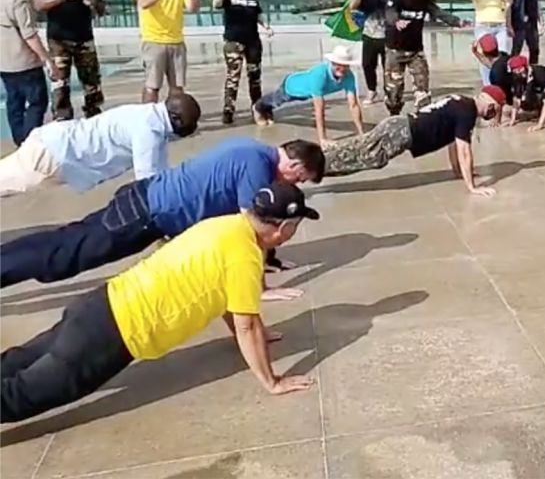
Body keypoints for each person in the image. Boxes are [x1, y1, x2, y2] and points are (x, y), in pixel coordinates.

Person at [0, 182, 318, 424]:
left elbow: (230, 303)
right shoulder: (245, 256)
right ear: (284, 228)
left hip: (100, 303)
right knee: (23, 394)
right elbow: (246, 322)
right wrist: (271, 381)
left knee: (19, 360)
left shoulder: (224, 225)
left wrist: (245, 333)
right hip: (114, 335)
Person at [0, 138, 325, 288]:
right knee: (66, 252)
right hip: (146, 212)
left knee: (68, 244)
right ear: (294, 165)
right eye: (301, 178)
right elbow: (250, 227)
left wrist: (271, 261)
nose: (295, 184)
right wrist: (255, 287)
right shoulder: (258, 165)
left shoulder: (253, 150)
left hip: (145, 204)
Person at [0, 92, 201, 197]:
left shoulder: (151, 116)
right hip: (55, 155)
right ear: (176, 119)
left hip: (55, 145)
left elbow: (161, 171)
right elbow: (147, 181)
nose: (192, 130)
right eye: (190, 124)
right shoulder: (148, 131)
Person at [322, 88, 504, 197]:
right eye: (496, 109)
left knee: (358, 147)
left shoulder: (462, 102)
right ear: (491, 105)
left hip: (398, 124)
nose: (494, 114)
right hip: (401, 133)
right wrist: (472, 187)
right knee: (363, 158)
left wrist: (458, 172)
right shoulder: (468, 113)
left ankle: (317, 157)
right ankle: (317, 167)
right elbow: (464, 150)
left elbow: (453, 144)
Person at [31, 0, 106, 120]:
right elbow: (38, 5)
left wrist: (93, 1)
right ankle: (62, 117)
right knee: (60, 81)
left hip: (84, 37)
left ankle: (93, 113)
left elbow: (102, 10)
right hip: (59, 39)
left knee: (91, 80)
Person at [383, 0, 467, 115]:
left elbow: (438, 13)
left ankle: (422, 118)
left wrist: (457, 21)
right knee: (394, 89)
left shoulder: (423, 1)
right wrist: (396, 21)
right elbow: (390, 13)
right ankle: (394, 114)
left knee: (422, 87)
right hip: (395, 50)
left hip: (416, 51)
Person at [252, 45, 365, 147]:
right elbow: (319, 110)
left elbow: (354, 105)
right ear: (332, 62)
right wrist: (323, 139)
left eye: (345, 65)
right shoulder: (320, 74)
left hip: (308, 93)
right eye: (338, 64)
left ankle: (266, 111)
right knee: (277, 100)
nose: (342, 68)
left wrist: (361, 133)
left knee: (274, 104)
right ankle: (258, 107)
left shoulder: (349, 76)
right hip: (294, 86)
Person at [135, 0, 200, 103]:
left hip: (176, 41)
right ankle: (149, 117)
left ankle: (174, 118)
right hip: (154, 40)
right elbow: (143, 3)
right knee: (153, 85)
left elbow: (192, 8)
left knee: (177, 87)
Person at [0, 0, 51, 146]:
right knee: (37, 102)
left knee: (14, 103)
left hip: (4, 63)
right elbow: (29, 35)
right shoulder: (18, 0)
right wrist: (47, 60)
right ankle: (28, 141)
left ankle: (18, 139)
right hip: (25, 63)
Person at [213, 0, 272, 124]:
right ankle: (228, 111)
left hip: (253, 41)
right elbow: (216, 4)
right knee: (233, 77)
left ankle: (257, 108)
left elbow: (258, 14)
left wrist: (266, 26)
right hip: (234, 41)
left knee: (255, 77)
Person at [348, 0, 393, 104]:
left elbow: (396, 4)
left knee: (389, 66)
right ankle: (372, 90)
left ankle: (389, 91)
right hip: (369, 34)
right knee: (367, 64)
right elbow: (352, 6)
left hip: (387, 35)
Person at [466, 0, 513, 85]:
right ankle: (487, 84)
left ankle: (501, 81)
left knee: (502, 56)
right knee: (485, 56)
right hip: (483, 26)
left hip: (499, 26)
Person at [507, 0, 541, 67]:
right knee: (516, 49)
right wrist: (509, 25)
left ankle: (533, 70)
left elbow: (536, 3)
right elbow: (508, 6)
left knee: (534, 49)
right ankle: (513, 71)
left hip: (531, 22)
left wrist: (541, 21)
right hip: (518, 22)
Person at [471, 33, 508, 98]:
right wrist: (476, 53)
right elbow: (491, 64)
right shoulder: (504, 56)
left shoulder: (494, 74)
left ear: (485, 54)